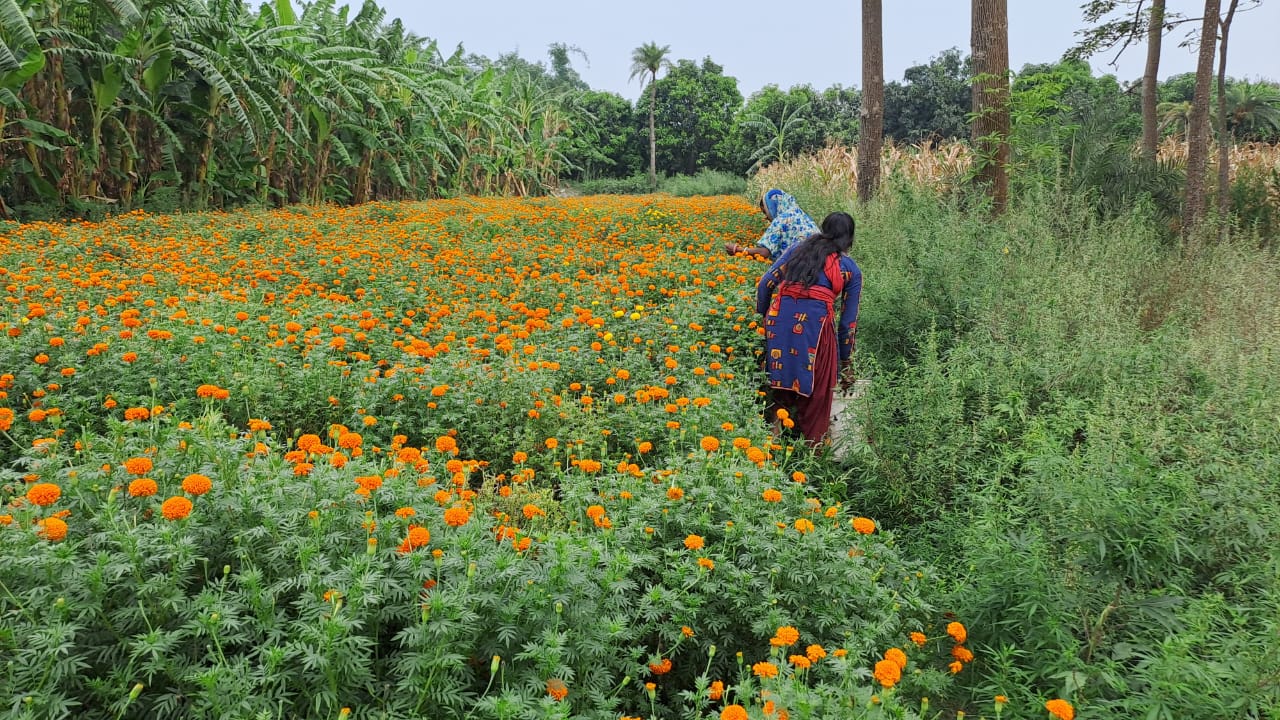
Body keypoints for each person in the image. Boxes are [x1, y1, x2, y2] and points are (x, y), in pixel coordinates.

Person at [755, 211, 862, 446]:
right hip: (816, 327)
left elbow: (765, 285)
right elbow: (848, 324)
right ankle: (812, 451)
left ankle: (771, 445)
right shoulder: (850, 269)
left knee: (778, 381)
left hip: (779, 320)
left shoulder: (798, 250)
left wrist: (759, 323)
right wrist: (845, 364)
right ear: (849, 239)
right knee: (818, 389)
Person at [725, 188, 819, 260]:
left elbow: (764, 252)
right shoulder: (804, 216)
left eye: (765, 212)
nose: (766, 217)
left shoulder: (781, 219)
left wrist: (737, 249)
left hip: (802, 270)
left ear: (772, 206)